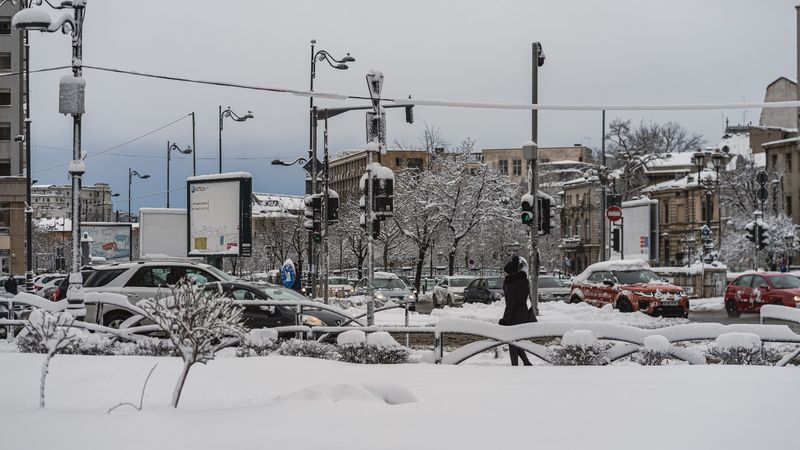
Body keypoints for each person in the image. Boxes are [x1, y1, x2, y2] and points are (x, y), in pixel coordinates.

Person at [499, 256, 533, 366]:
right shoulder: (524, 281)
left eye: (506, 273)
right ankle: (526, 363)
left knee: (512, 342)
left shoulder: (510, 284)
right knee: (516, 341)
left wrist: (505, 320)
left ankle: (515, 367)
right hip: (523, 312)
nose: (505, 275)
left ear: (510, 273)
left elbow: (510, 304)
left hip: (514, 315)